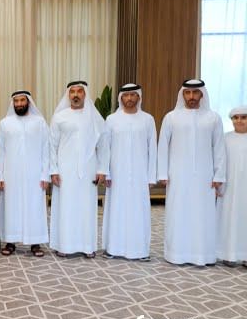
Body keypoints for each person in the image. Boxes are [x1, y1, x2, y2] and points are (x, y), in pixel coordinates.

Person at [158, 79, 225, 266]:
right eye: (187, 93)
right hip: (177, 176)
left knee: (203, 215)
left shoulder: (213, 118)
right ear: (182, 95)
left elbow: (219, 148)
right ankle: (176, 254)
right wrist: (162, 173)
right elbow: (163, 146)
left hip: (205, 176)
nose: (191, 97)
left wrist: (219, 175)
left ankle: (202, 255)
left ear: (202, 94)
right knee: (177, 213)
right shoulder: (171, 117)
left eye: (195, 93)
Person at [49, 81, 107, 258]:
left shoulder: (95, 117)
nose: (75, 95)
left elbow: (103, 145)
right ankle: (64, 245)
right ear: (68, 95)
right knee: (66, 207)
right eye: (72, 92)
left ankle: (87, 246)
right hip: (65, 170)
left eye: (79, 91)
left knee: (87, 207)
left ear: (85, 94)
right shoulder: (60, 117)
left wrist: (102, 169)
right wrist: (53, 170)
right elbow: (52, 145)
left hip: (89, 170)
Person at [101, 83, 157, 261]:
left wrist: (151, 176)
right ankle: (113, 248)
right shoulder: (111, 120)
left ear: (138, 97)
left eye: (133, 95)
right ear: (121, 98)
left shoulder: (147, 119)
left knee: (139, 211)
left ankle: (140, 250)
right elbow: (105, 148)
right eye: (126, 95)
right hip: (116, 174)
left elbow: (152, 149)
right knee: (116, 209)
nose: (130, 98)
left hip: (140, 175)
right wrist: (106, 172)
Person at [0, 90, 49, 257]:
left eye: (22, 101)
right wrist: (0, 176)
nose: (19, 104)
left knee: (34, 207)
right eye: (16, 101)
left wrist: (45, 174)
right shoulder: (5, 123)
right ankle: (10, 242)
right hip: (11, 175)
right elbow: (1, 152)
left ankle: (35, 242)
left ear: (28, 102)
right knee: (11, 207)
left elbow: (46, 150)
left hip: (34, 175)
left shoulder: (39, 122)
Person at [216, 105, 247, 267]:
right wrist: (218, 184)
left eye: (243, 117)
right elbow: (219, 162)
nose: (239, 121)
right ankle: (228, 254)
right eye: (236, 118)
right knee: (228, 218)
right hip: (229, 187)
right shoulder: (225, 138)